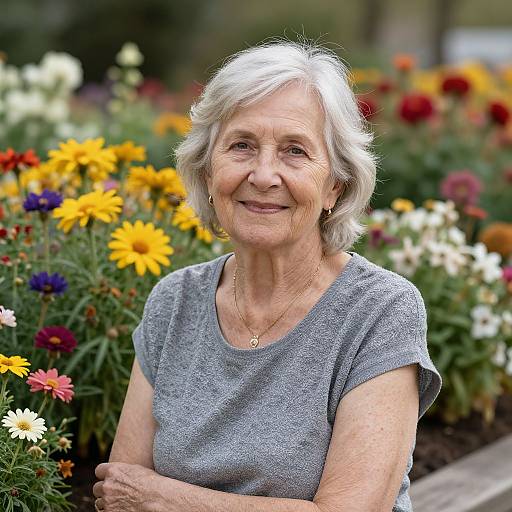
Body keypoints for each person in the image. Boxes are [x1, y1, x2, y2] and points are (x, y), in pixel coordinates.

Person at [93, 40, 442, 512]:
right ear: (207, 169)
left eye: (294, 151)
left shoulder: (379, 312)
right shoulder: (174, 301)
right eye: (241, 146)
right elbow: (120, 495)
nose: (262, 174)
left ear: (334, 186)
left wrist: (167, 499)